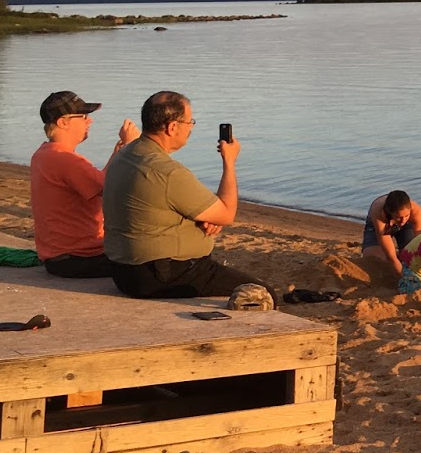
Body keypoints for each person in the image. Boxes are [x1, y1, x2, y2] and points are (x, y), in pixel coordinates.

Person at [102, 90, 262, 298]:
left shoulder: (124, 155)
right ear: (172, 127)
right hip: (165, 275)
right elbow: (227, 213)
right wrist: (229, 162)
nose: (191, 129)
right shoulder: (167, 172)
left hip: (124, 272)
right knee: (260, 293)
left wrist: (208, 217)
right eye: (190, 122)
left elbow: (161, 204)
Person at [29, 90, 140, 278]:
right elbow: (109, 188)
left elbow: (98, 183)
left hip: (58, 257)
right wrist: (132, 147)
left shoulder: (43, 155)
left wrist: (118, 153)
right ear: (63, 122)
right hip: (77, 258)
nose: (89, 121)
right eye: (83, 116)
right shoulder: (65, 159)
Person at [361, 190, 421, 282]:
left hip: (408, 225)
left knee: (409, 255)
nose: (402, 220)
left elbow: (420, 245)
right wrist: (405, 280)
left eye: (406, 215)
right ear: (390, 213)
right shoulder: (379, 214)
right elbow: (392, 257)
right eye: (399, 217)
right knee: (375, 259)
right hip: (381, 223)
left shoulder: (416, 211)